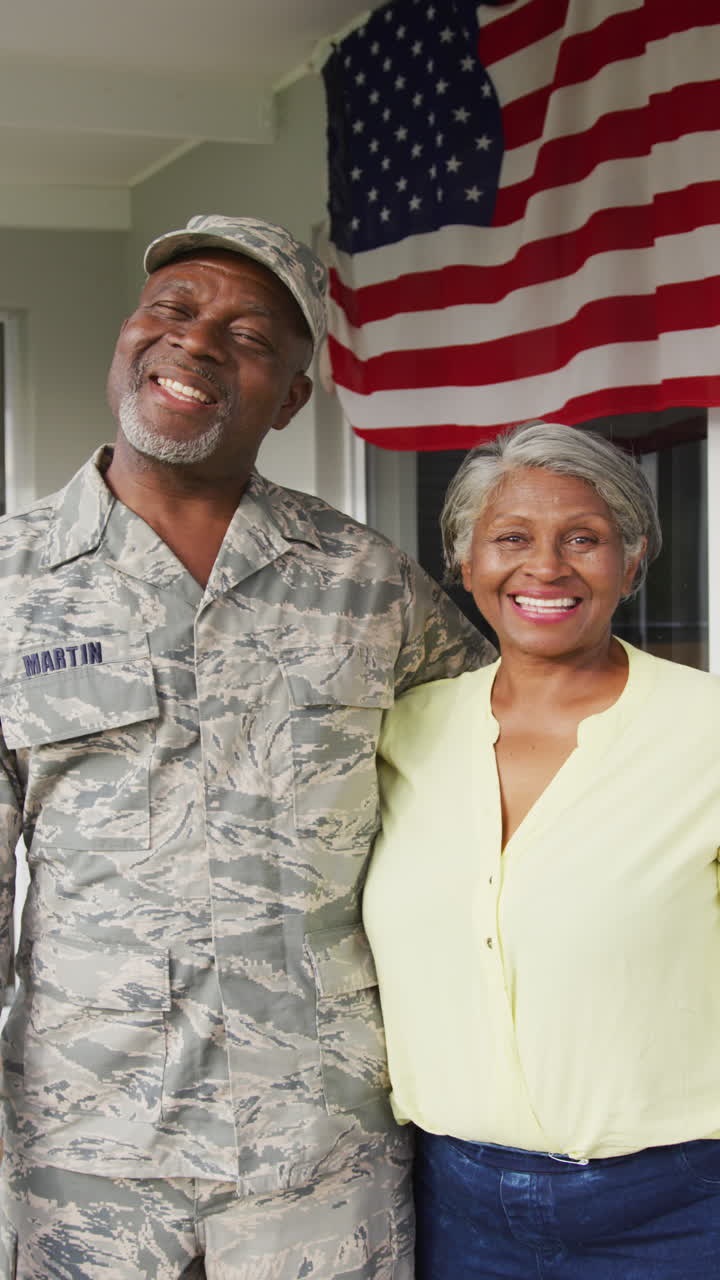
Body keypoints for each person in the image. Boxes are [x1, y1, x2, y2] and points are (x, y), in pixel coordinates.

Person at [0, 214, 492, 1279]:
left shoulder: (369, 584)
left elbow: (496, 782)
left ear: (293, 398)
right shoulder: (12, 581)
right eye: (173, 310)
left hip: (322, 1148)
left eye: (250, 336)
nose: (197, 341)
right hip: (90, 1153)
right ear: (128, 336)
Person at [364, 420, 720, 1279]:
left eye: (584, 539)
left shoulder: (705, 730)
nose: (547, 567)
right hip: (454, 1207)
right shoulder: (397, 732)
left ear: (632, 561)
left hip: (681, 1208)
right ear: (466, 562)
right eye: (512, 538)